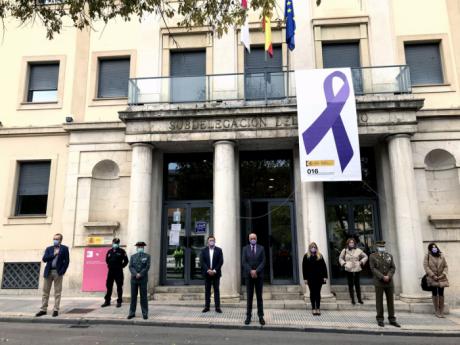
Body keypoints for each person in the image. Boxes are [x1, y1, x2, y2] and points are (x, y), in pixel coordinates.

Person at [35, 233, 70, 317]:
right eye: (54, 239)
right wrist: (53, 254)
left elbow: (67, 261)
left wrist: (62, 271)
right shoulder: (49, 249)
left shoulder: (64, 249)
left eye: (57, 239)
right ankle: (43, 309)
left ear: (60, 240)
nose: (55, 240)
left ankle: (56, 309)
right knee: (45, 292)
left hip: (58, 272)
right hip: (48, 272)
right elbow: (44, 259)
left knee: (57, 292)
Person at [369, 241, 400, 328]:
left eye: (383, 246)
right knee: (379, 301)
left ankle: (392, 319)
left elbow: (393, 267)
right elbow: (373, 268)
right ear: (377, 247)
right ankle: (380, 319)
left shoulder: (389, 256)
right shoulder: (372, 256)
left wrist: (388, 276)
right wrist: (382, 277)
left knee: (390, 301)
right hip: (379, 282)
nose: (382, 247)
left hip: (389, 282)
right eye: (380, 246)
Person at [242, 233, 266, 325]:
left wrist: (256, 271)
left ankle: (261, 316)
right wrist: (251, 271)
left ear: (256, 239)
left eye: (254, 238)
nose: (253, 239)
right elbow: (244, 262)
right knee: (249, 297)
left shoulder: (261, 248)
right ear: (249, 239)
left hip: (259, 276)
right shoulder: (245, 249)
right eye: (251, 238)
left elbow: (263, 261)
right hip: (249, 276)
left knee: (259, 297)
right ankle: (248, 316)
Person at [339, 238, 368, 304]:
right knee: (350, 284)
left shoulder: (358, 250)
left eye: (352, 242)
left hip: (357, 268)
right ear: (348, 243)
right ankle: (352, 299)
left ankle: (359, 299)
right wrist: (344, 264)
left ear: (354, 243)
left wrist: (361, 262)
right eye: (350, 242)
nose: (351, 244)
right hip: (348, 269)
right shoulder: (345, 250)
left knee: (357, 284)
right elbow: (340, 258)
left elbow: (365, 256)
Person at [101, 238, 129, 308]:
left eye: (116, 243)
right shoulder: (109, 251)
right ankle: (107, 301)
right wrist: (110, 266)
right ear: (112, 243)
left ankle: (119, 301)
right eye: (114, 243)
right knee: (109, 286)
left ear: (118, 244)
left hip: (118, 271)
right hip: (110, 271)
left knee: (119, 286)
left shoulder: (122, 251)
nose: (115, 244)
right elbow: (107, 260)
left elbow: (126, 261)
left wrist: (121, 266)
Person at [423, 242, 449, 318]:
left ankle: (441, 311)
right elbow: (426, 266)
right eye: (432, 248)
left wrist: (443, 274)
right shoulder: (427, 256)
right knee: (435, 293)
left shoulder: (441, 256)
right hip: (432, 278)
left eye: (435, 247)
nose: (434, 249)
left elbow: (446, 266)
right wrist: (433, 275)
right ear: (430, 249)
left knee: (441, 293)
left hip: (442, 278)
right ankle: (436, 310)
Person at [302, 242, 328, 316]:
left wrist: (325, 276)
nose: (313, 248)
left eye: (314, 247)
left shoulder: (320, 256)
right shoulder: (306, 256)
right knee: (312, 293)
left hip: (319, 278)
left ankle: (318, 308)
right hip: (310, 278)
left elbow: (324, 267)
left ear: (316, 248)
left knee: (318, 293)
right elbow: (304, 268)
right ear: (310, 248)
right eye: (312, 247)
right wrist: (305, 278)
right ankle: (313, 308)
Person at [199, 235, 224, 313]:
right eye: (210, 240)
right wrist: (208, 270)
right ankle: (207, 306)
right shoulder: (203, 251)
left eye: (213, 240)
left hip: (216, 274)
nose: (211, 241)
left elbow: (221, 261)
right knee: (207, 290)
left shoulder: (219, 250)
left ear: (215, 241)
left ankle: (217, 307)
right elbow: (202, 262)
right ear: (208, 242)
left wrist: (214, 270)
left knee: (216, 290)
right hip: (207, 274)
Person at [127, 241, 151, 320]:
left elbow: (147, 267)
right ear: (137, 248)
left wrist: (140, 274)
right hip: (134, 279)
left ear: (143, 248)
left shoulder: (147, 256)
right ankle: (132, 312)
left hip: (143, 279)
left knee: (143, 297)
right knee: (133, 297)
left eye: (141, 247)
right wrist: (135, 274)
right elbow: (130, 266)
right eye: (139, 247)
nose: (140, 248)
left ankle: (145, 313)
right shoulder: (133, 256)